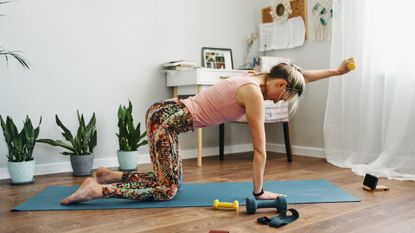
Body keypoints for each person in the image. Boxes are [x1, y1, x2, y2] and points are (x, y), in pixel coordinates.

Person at [60, 58, 355, 205]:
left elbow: (299, 75)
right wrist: (259, 191)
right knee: (168, 190)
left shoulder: (259, 76)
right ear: (278, 85)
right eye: (284, 97)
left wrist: (336, 72)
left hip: (165, 113)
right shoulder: (253, 93)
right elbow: (260, 150)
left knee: (170, 179)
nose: (280, 101)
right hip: (167, 120)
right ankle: (98, 190)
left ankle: (110, 174)